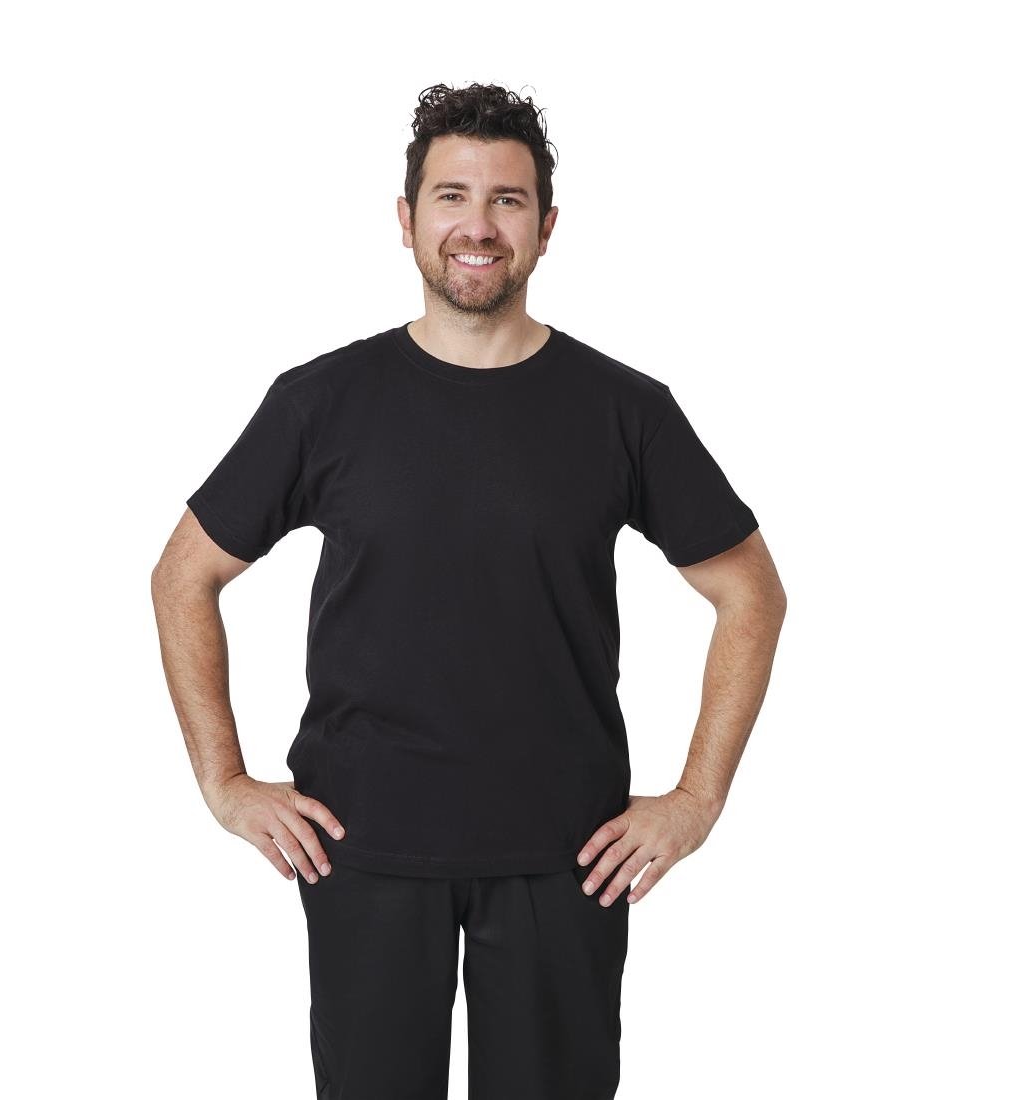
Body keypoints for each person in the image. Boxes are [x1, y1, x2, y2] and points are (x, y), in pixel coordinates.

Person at [151, 81, 787, 1100]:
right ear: (407, 220)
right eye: (451, 196)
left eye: (506, 200)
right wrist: (225, 780)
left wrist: (695, 800)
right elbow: (185, 574)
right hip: (360, 842)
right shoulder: (321, 402)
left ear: (546, 227)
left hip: (568, 853)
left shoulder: (623, 409)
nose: (477, 226)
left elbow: (750, 591)